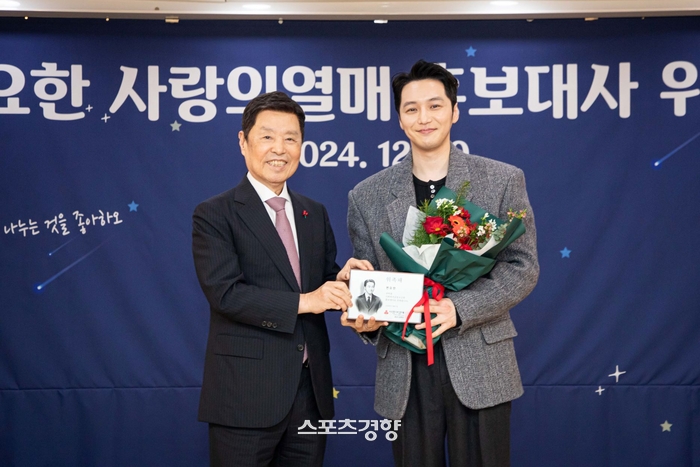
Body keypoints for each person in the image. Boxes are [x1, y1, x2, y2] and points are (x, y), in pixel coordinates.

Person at [341, 60, 539, 467]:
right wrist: (364, 312)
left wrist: (458, 308)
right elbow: (370, 280)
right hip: (405, 365)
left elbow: (522, 266)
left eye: (435, 106)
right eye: (411, 109)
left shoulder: (501, 180)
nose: (424, 117)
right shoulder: (366, 195)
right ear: (400, 119)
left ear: (454, 111)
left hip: (480, 358)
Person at [192, 91, 368, 467]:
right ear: (244, 142)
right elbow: (226, 294)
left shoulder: (313, 212)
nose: (279, 149)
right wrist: (308, 301)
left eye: (291, 138)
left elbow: (321, 281)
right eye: (267, 136)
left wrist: (347, 282)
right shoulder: (215, 213)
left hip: (310, 392)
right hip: (245, 395)